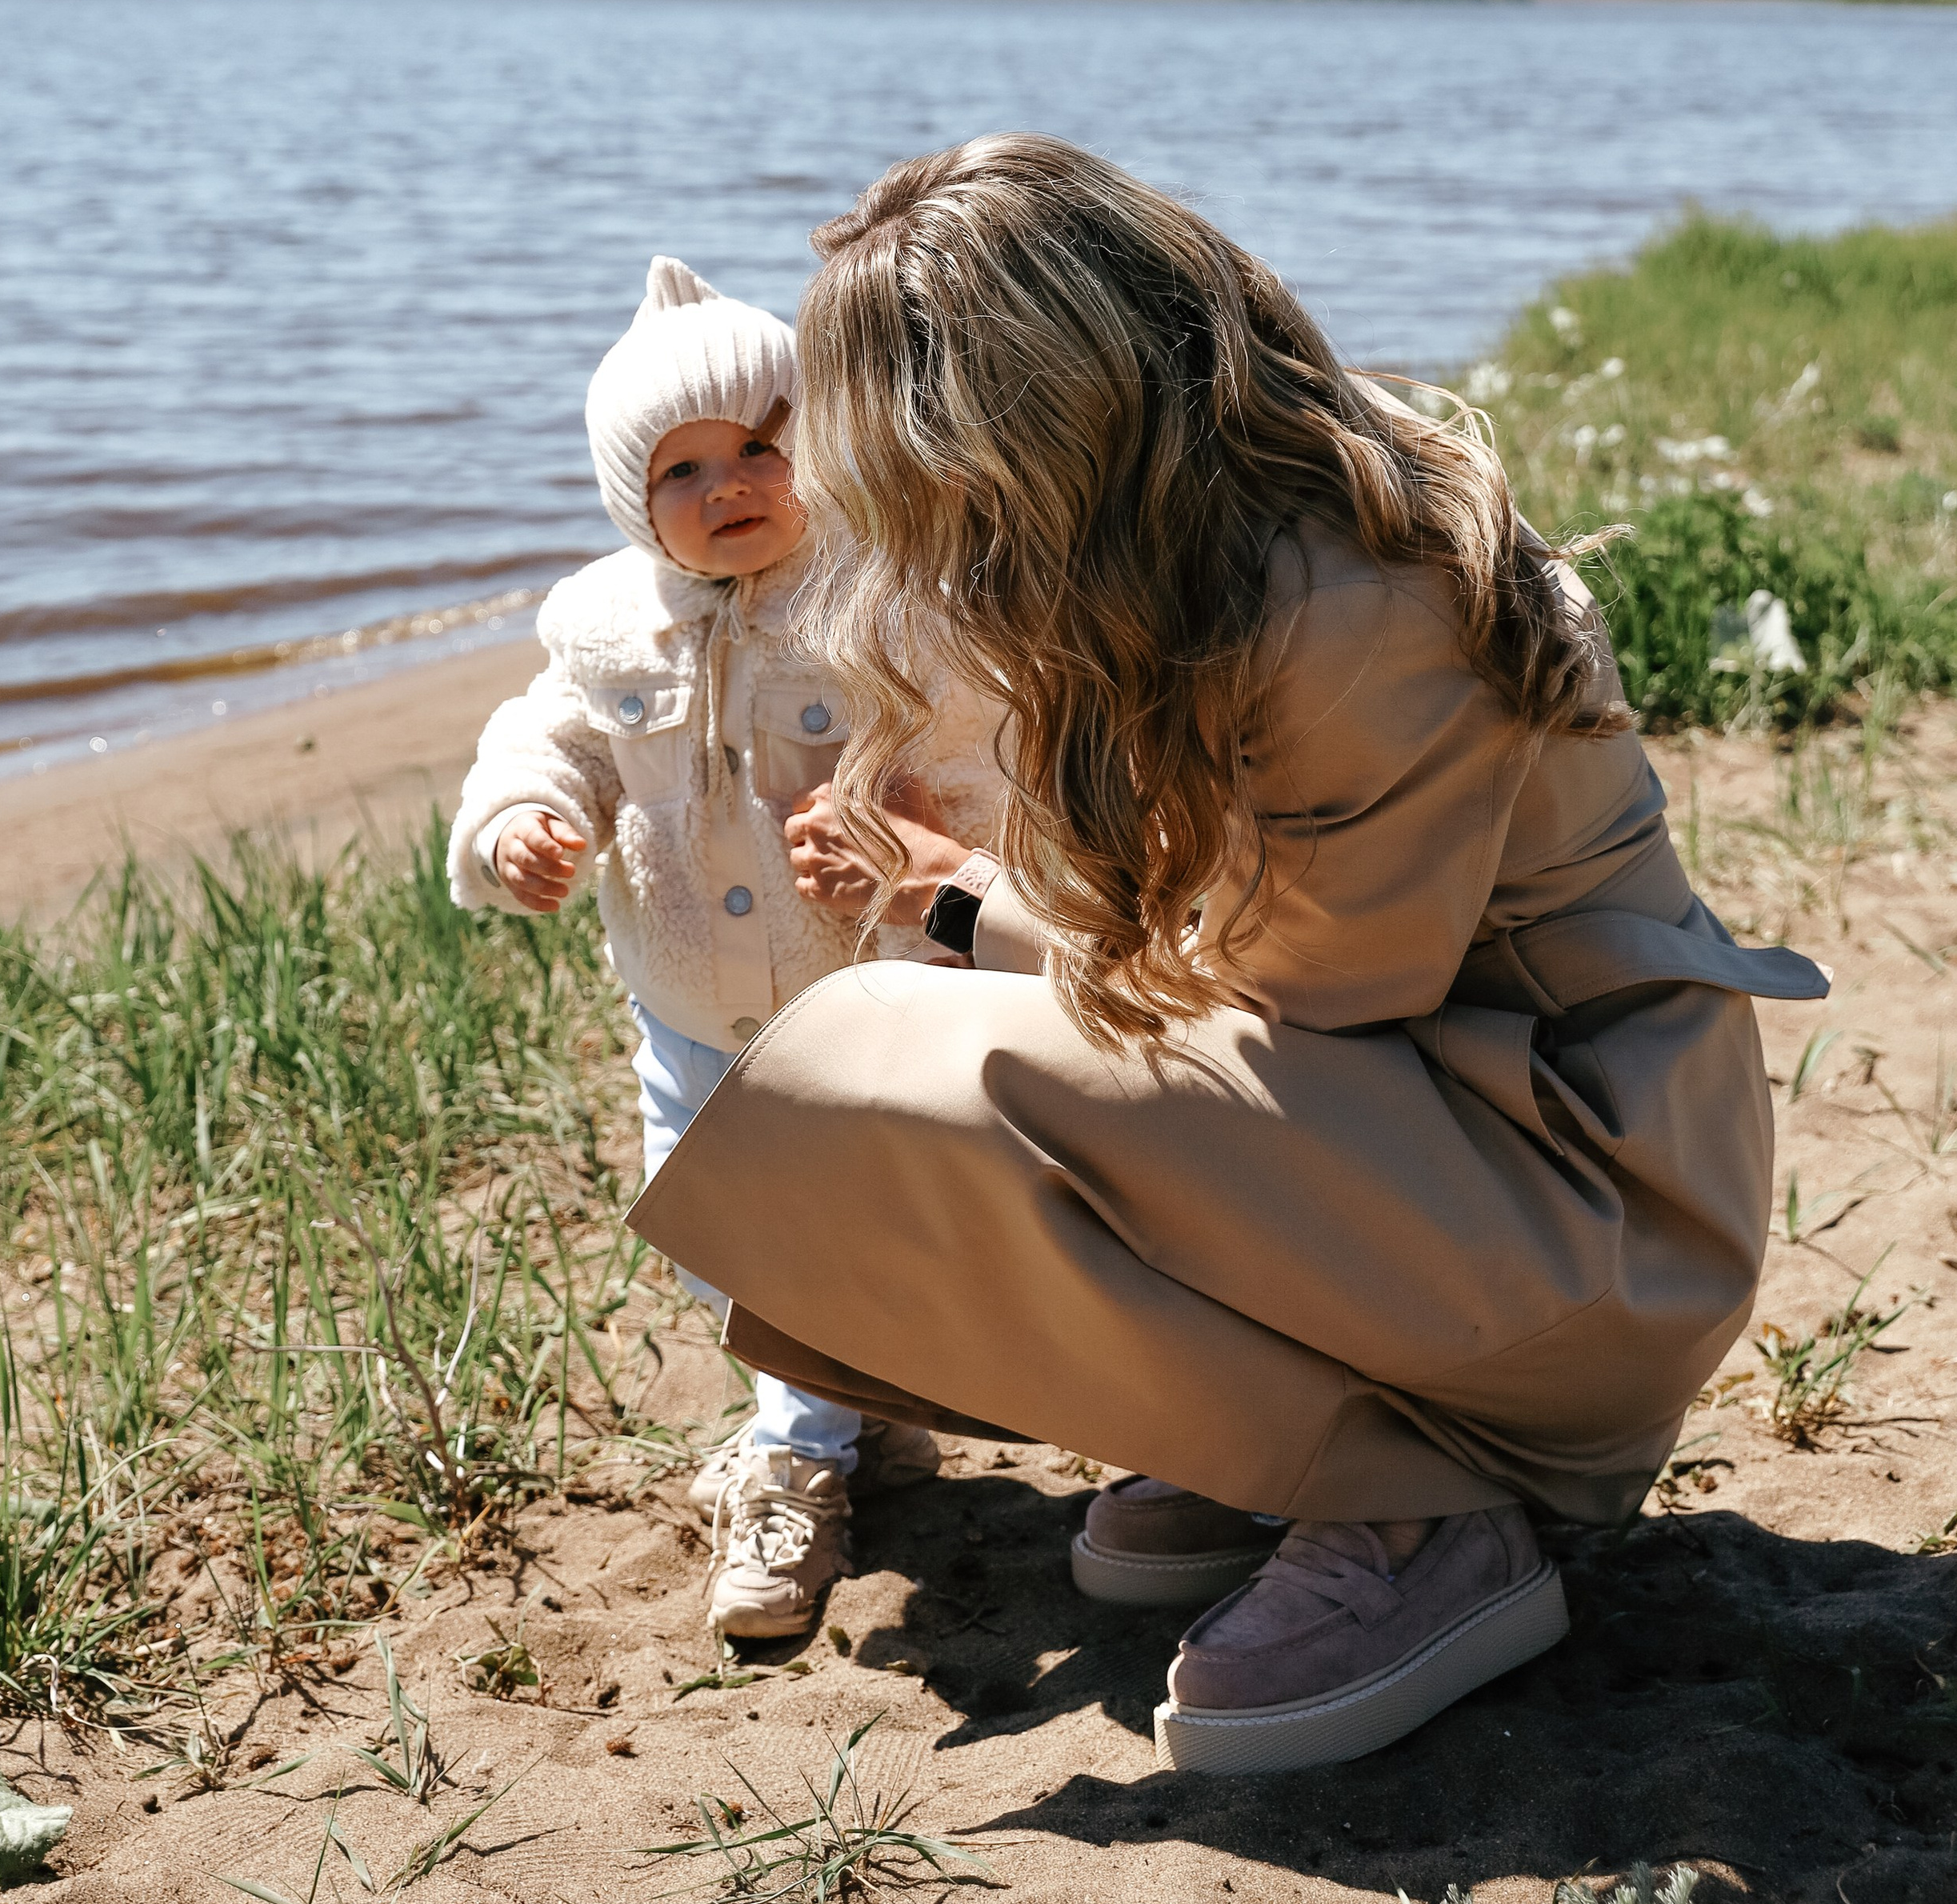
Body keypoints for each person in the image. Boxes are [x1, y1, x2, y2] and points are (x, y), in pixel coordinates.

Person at [634, 140, 1823, 1771]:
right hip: (1477, 1150)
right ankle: (1313, 1432)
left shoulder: (1350, 592)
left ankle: (1434, 1503)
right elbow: (1246, 978)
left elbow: (1293, 1006)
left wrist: (970, 901)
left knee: (876, 1054)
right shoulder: (1237, 538)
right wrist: (979, 887)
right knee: (912, 1042)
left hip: (1587, 1215)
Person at [447, 256, 999, 1638]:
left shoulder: (881, 600)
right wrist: (526, 817)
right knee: (704, 1226)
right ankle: (856, 1407)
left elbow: (977, 744)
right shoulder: (602, 623)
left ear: (818, 450)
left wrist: (918, 829)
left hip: (860, 1005)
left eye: (762, 446)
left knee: (814, 1236)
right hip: (689, 1010)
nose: (729, 485)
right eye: (682, 470)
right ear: (633, 502)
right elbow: (549, 737)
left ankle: (799, 1460)